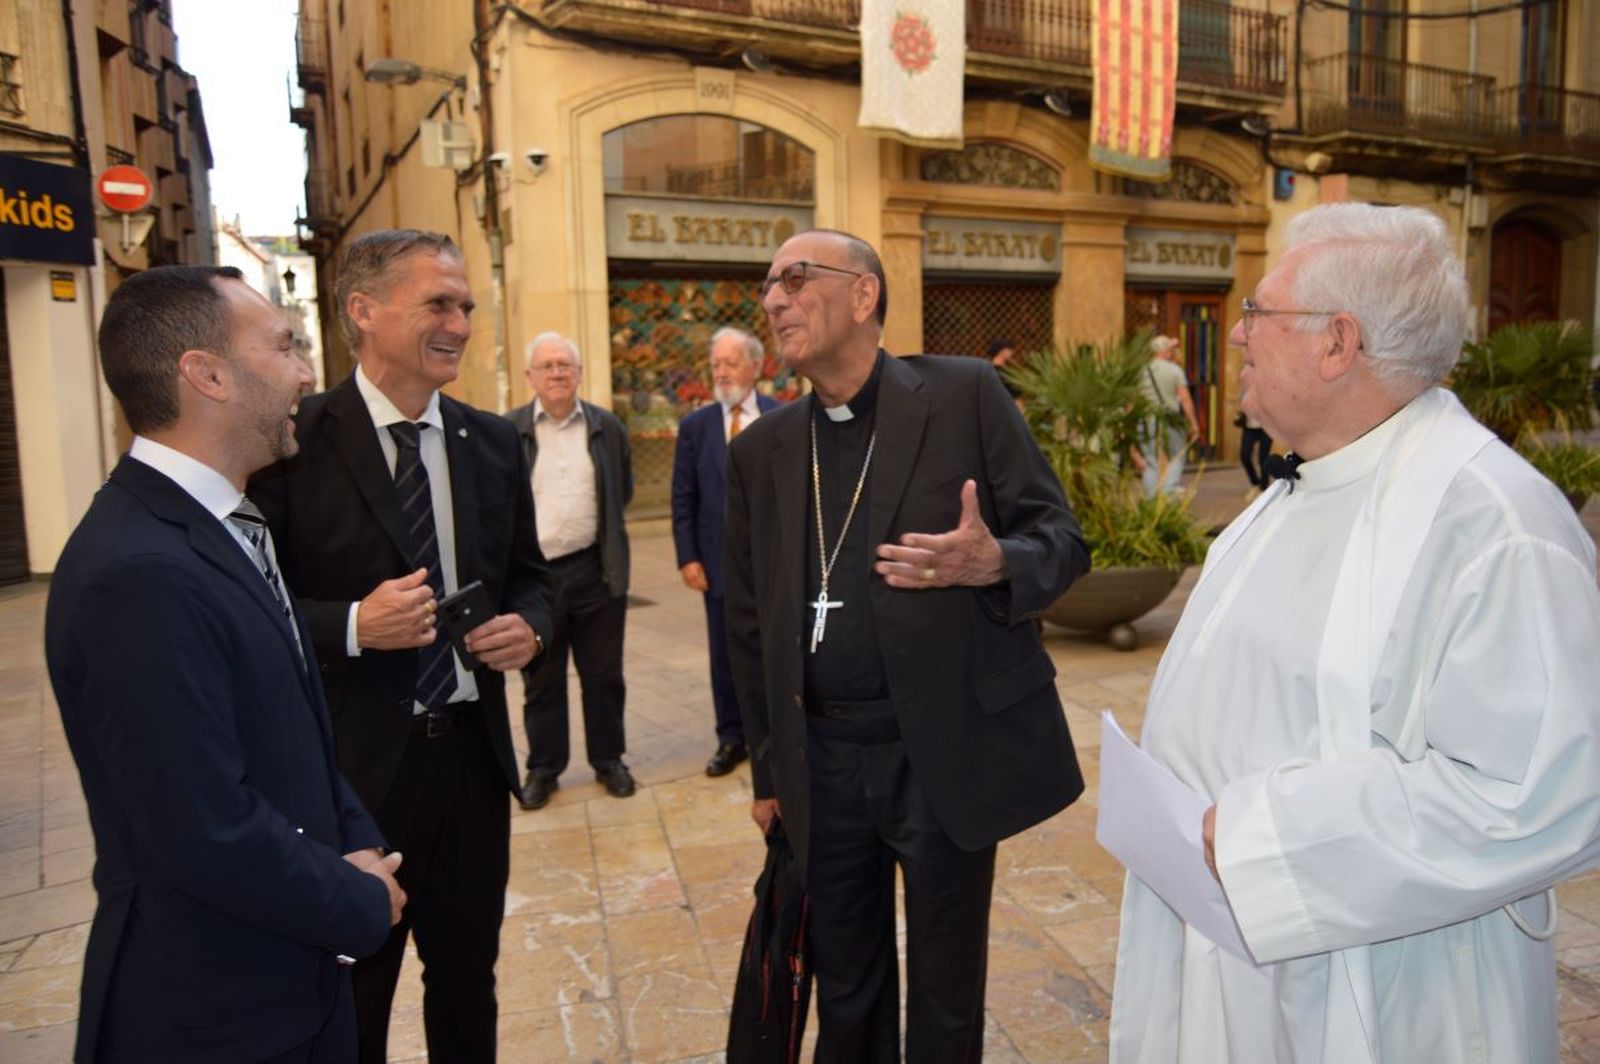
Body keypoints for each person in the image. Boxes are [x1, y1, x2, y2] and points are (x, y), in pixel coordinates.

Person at [1110, 203, 1600, 1062]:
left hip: (1386, 980)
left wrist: (1265, 836)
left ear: (1338, 342)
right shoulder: (1297, 487)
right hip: (1227, 947)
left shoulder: (1493, 523)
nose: (1237, 338)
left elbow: (1541, 792)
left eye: (1258, 314)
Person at [724, 229, 1090, 1062]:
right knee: (845, 985)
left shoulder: (964, 396)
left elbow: (1061, 539)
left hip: (943, 750)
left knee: (946, 989)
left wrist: (996, 561)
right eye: (769, 284)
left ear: (863, 296)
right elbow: (747, 626)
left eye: (795, 278)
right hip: (824, 760)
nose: (774, 298)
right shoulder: (761, 453)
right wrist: (771, 772)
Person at [46, 265, 404, 1063]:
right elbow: (201, 825)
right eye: (284, 346)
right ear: (205, 373)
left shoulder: (223, 524)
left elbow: (295, 736)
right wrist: (356, 898)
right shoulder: (136, 571)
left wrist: (355, 842)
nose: (308, 372)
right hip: (217, 1013)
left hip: (288, 985)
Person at [251, 229, 552, 1064]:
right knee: (356, 990)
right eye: (438, 304)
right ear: (363, 311)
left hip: (470, 765)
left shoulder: (490, 441)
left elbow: (533, 578)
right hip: (349, 779)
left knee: (468, 978)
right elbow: (246, 613)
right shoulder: (292, 441)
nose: (459, 322)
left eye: (465, 306)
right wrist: (352, 625)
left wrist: (530, 626)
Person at [508, 332, 635, 809]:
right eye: (547, 366)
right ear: (530, 377)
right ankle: (543, 769)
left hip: (595, 570)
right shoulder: (511, 430)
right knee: (540, 678)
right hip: (535, 579)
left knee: (603, 675)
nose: (557, 373)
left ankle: (609, 760)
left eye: (565, 365)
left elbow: (620, 491)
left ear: (579, 373)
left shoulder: (607, 426)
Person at [671, 325, 780, 777]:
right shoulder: (696, 426)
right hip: (717, 564)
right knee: (725, 656)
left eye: (730, 363)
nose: (721, 372)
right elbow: (684, 496)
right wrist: (688, 556)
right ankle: (731, 737)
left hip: (774, 565)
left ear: (756, 366)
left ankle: (775, 737)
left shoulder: (781, 417)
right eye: (716, 364)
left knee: (775, 652)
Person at [1130, 334, 1201, 497]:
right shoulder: (1174, 370)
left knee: (1150, 461)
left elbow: (1132, 401)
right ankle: (1168, 492)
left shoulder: (1142, 371)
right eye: (1170, 349)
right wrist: (1193, 424)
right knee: (1177, 455)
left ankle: (1151, 499)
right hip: (1169, 419)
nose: (1172, 352)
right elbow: (1185, 400)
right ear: (1163, 351)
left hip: (1145, 420)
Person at [1235, 408, 1273, 494]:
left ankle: (1263, 488)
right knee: (1245, 456)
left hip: (1266, 428)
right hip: (1249, 427)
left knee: (1263, 458)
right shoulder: (1245, 393)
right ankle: (1255, 483)